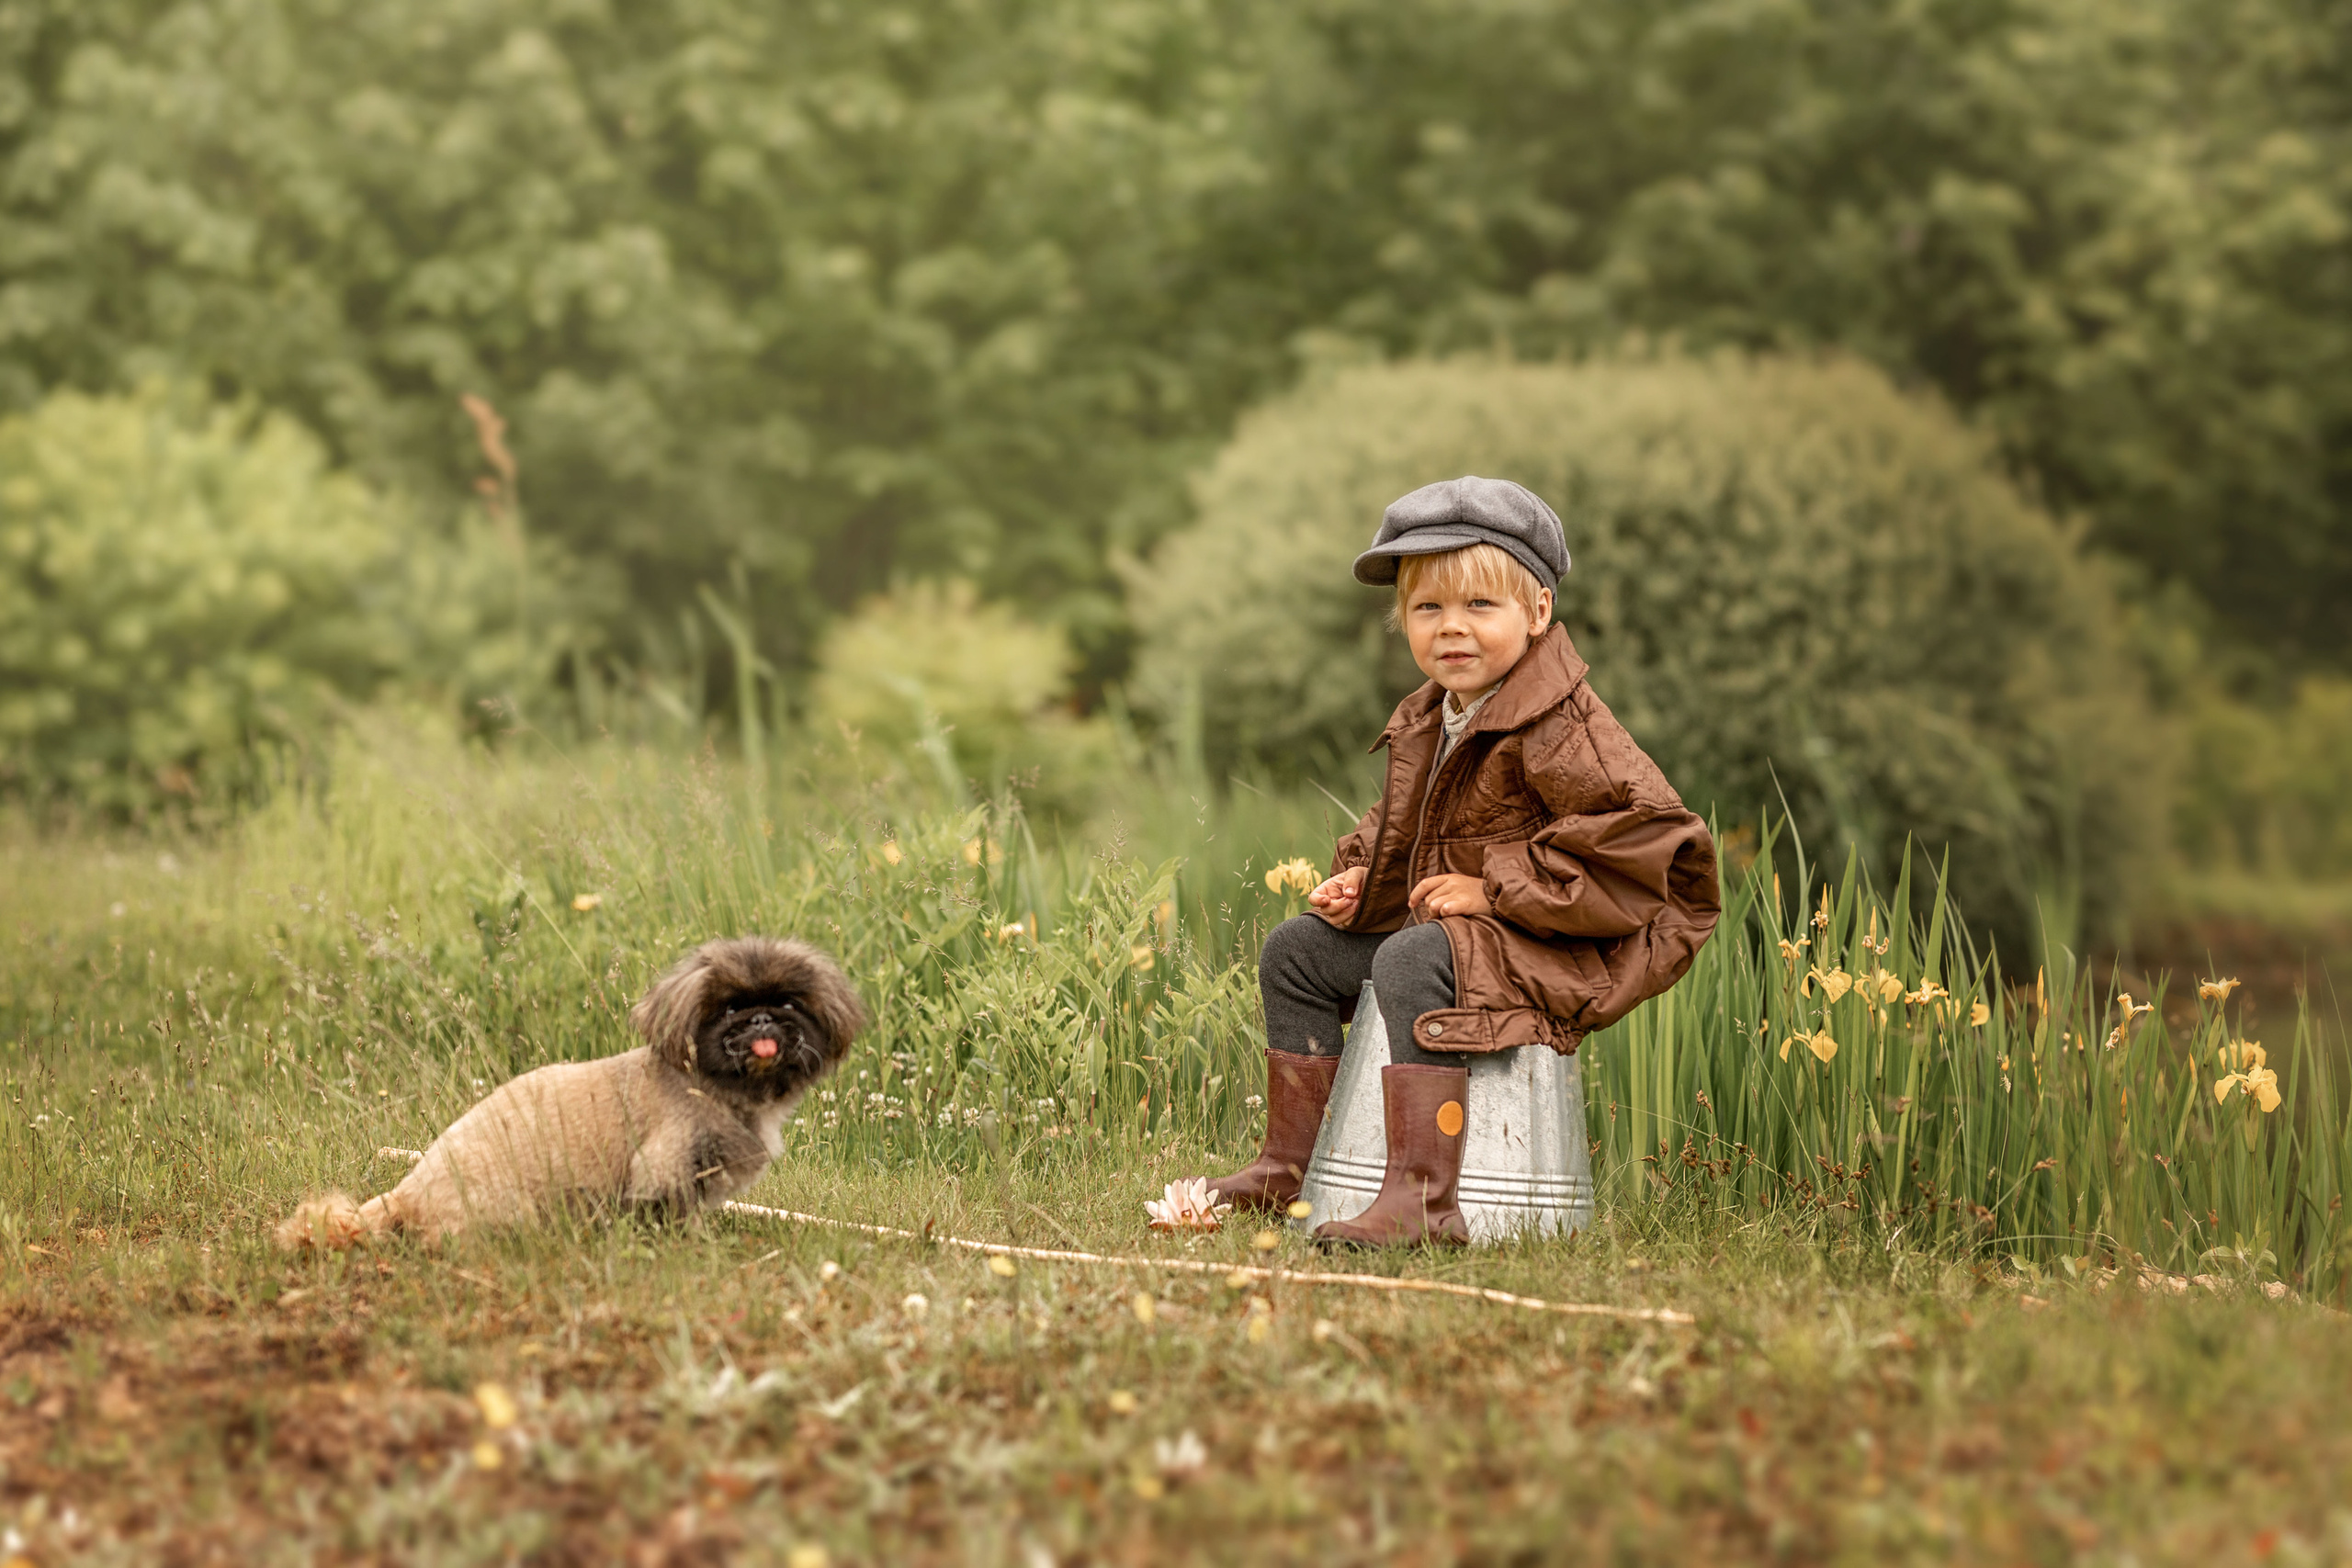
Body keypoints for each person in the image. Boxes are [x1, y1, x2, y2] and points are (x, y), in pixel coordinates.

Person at [1198, 476, 1721, 1247]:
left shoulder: (1563, 724)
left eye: (1481, 606)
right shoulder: (1434, 712)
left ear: (1539, 611)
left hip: (1560, 947)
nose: (1452, 628)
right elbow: (1403, 832)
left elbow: (1643, 847)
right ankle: (1290, 1167)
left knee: (1413, 958)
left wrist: (1494, 890)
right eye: (1427, 608)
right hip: (1474, 938)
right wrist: (1358, 879)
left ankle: (1422, 1200)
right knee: (1298, 953)